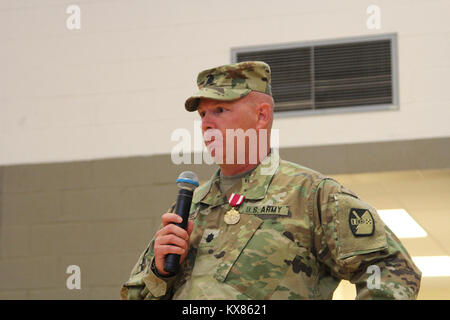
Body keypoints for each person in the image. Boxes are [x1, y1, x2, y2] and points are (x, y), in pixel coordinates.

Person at [120, 61, 421, 300]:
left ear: (261, 116)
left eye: (220, 110)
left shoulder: (311, 195)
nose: (207, 123)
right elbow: (132, 295)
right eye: (202, 115)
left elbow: (393, 269)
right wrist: (160, 273)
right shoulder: (191, 206)